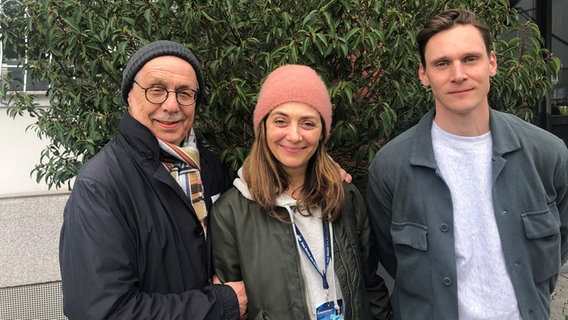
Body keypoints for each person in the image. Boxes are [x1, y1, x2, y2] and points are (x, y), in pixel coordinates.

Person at [367, 8, 568, 320]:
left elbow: (558, 245)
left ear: (492, 63)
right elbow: (390, 258)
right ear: (423, 74)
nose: (458, 74)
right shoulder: (391, 167)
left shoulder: (547, 153)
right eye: (442, 63)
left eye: (470, 59)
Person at [59, 40, 247, 319]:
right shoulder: (100, 187)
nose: (171, 105)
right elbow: (103, 311)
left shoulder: (208, 166)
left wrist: (322, 175)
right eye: (156, 90)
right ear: (129, 97)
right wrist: (221, 305)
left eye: (185, 93)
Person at [210, 64, 392, 320]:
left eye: (308, 123)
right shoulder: (231, 213)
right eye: (281, 121)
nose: (294, 136)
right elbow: (234, 306)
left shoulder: (346, 197)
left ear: (322, 133)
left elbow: (370, 284)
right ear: (263, 127)